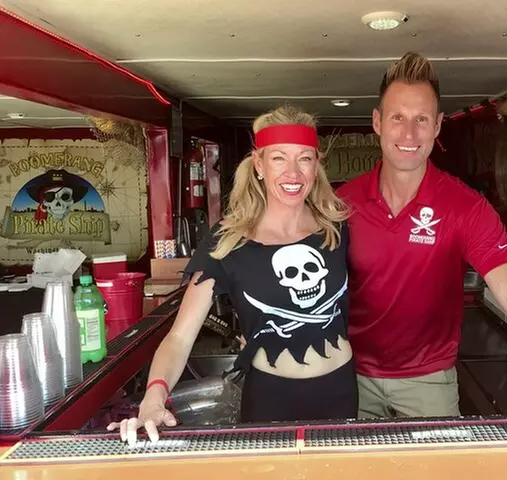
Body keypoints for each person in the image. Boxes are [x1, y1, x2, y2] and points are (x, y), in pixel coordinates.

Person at [337, 52, 507, 446]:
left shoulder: (465, 207)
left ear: (437, 126)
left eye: (421, 120)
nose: (409, 133)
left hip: (429, 382)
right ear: (378, 123)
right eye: (398, 117)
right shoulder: (341, 204)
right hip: (352, 375)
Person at [108, 105, 357, 446]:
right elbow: (180, 338)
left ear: (317, 166)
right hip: (271, 397)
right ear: (259, 164)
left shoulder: (336, 228)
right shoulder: (229, 241)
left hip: (340, 391)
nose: (293, 172)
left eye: (304, 158)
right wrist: (153, 399)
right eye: (279, 158)